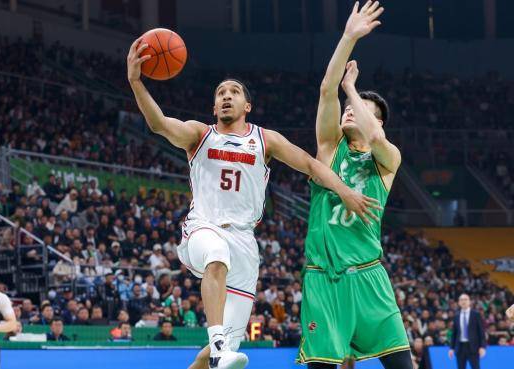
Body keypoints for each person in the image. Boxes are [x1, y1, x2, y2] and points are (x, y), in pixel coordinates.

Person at [127, 28, 377, 369]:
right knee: (215, 259)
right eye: (220, 93)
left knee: (225, 350)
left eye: (234, 92)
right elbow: (158, 124)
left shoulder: (265, 140)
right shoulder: (199, 135)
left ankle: (218, 347)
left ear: (248, 105)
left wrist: (346, 191)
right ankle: (217, 342)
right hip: (204, 227)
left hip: (245, 243)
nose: (226, 96)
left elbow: (310, 166)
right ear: (214, 106)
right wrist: (137, 82)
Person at [298, 2, 413, 369]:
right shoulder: (331, 148)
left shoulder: (387, 160)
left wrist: (353, 90)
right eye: (351, 104)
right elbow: (325, 89)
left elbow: (376, 136)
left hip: (369, 276)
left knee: (401, 366)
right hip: (324, 279)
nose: (350, 109)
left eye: (361, 108)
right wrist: (348, 38)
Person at [448, 294, 486, 369]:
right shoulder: (456, 316)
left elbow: (481, 331)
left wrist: (482, 346)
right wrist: (451, 348)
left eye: (465, 299)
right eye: (461, 300)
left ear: (469, 302)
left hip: (473, 347)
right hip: (460, 347)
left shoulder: (476, 314)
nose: (463, 301)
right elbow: (454, 333)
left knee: (476, 367)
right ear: (459, 302)